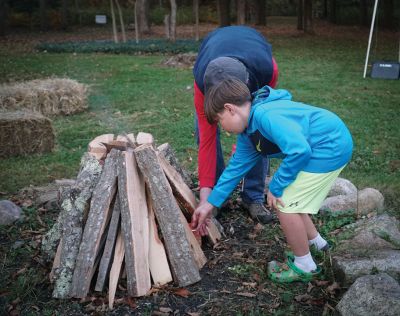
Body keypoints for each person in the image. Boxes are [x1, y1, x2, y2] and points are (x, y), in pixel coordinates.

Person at [191, 79, 353, 283]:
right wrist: (210, 203)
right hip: (322, 147)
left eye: (220, 120)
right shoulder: (248, 133)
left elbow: (299, 150)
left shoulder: (265, 116)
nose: (223, 128)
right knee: (294, 199)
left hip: (330, 147)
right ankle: (317, 243)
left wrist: (276, 187)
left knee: (285, 202)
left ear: (230, 109)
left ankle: (305, 265)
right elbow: (235, 169)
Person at [193, 25, 279, 224]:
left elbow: (264, 122)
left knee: (258, 131)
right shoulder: (202, 81)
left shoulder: (267, 70)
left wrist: (243, 144)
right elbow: (207, 141)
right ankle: (215, 195)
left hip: (255, 57)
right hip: (214, 49)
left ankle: (253, 197)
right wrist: (206, 197)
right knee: (204, 130)